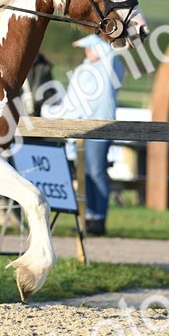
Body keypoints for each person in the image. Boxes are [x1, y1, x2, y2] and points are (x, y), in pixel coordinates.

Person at [53, 33, 124, 236]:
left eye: (91, 47)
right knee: (85, 174)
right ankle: (88, 217)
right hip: (82, 129)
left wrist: (93, 40)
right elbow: (74, 99)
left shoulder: (110, 68)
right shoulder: (84, 70)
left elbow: (108, 52)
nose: (87, 51)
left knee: (96, 172)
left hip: (101, 128)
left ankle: (98, 219)